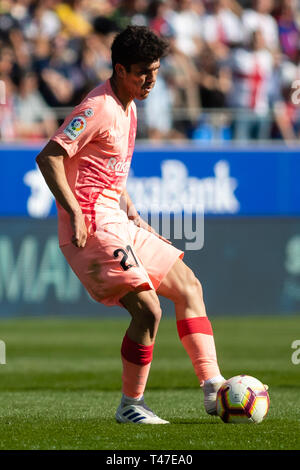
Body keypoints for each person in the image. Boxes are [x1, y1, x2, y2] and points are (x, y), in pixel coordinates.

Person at [36, 25, 225, 424]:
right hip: (90, 226)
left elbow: (109, 172)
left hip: (117, 221)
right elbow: (49, 157)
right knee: (148, 310)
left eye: (155, 70)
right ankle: (131, 406)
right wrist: (72, 211)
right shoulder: (98, 107)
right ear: (120, 69)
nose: (151, 79)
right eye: (142, 71)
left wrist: (133, 213)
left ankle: (213, 388)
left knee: (190, 286)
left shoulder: (131, 105)